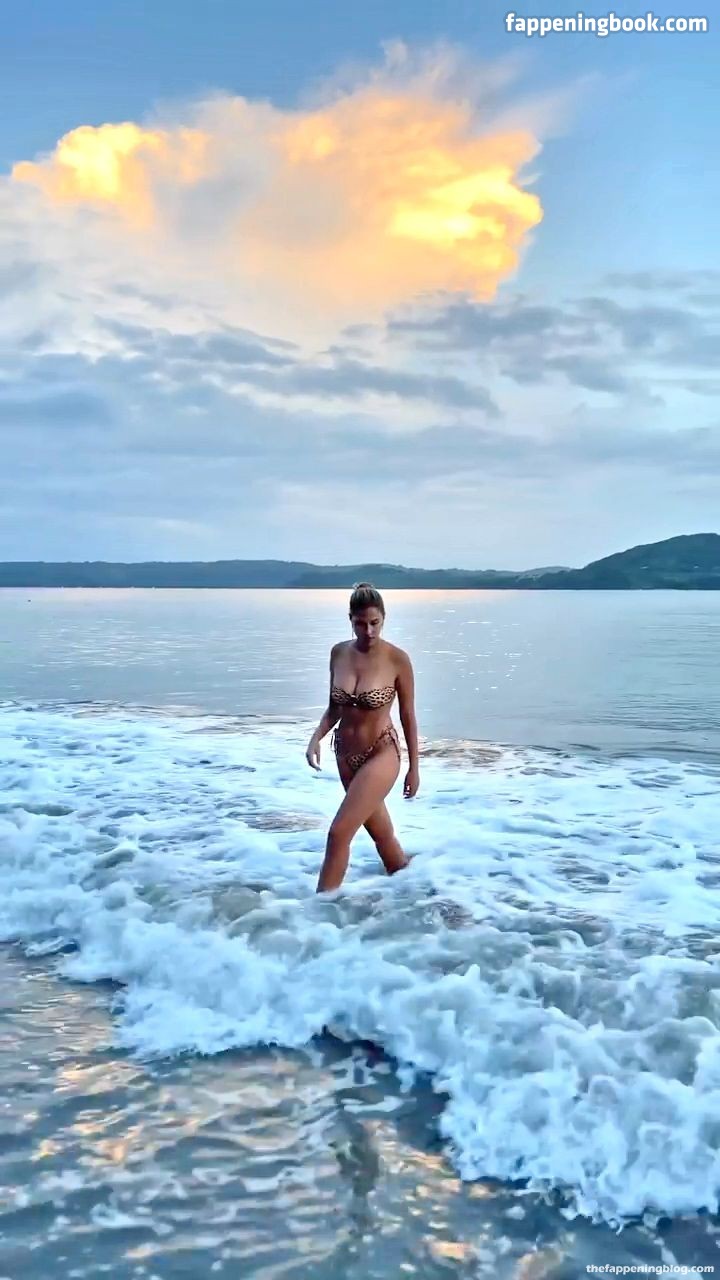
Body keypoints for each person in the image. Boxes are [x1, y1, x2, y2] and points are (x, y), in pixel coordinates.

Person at [305, 582, 419, 892]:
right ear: (350, 620)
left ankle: (317, 911)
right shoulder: (338, 653)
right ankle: (415, 892)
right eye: (360, 623)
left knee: (338, 833)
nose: (368, 631)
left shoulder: (397, 659)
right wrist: (316, 737)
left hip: (381, 753)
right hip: (345, 755)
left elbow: (408, 716)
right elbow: (334, 708)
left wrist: (414, 768)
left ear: (384, 618)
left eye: (374, 623)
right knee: (382, 837)